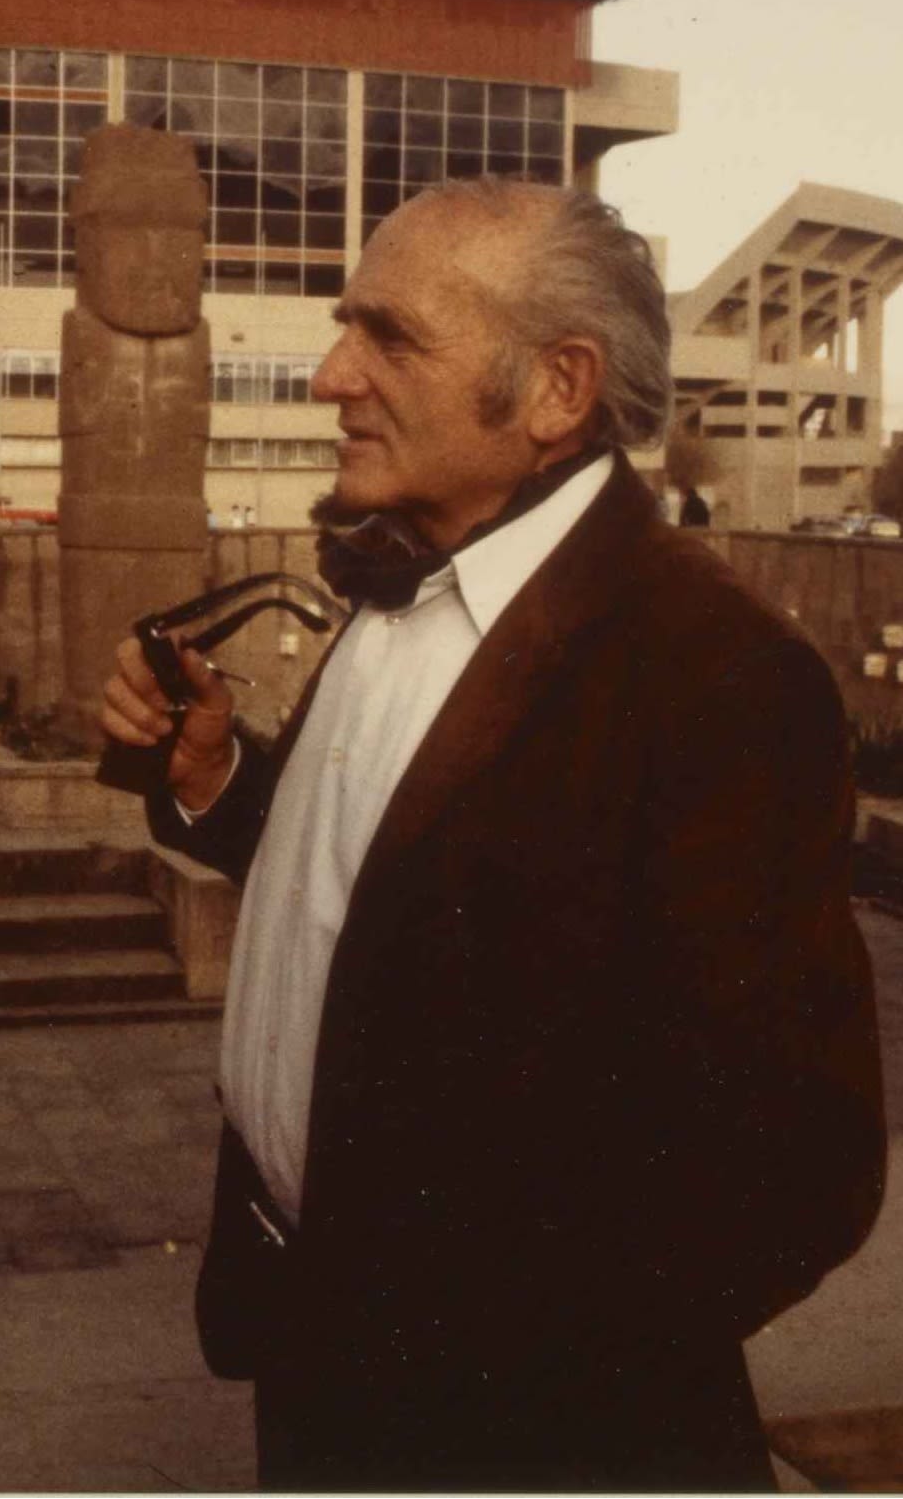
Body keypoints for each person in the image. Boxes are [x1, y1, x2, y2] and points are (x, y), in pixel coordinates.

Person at [99, 179, 884, 1491]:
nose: (330, 374)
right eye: (348, 325)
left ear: (556, 391)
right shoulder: (409, 562)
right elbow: (374, 886)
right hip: (316, 1367)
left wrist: (494, 1381)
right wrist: (217, 776)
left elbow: (801, 1163)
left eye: (390, 337)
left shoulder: (711, 672)